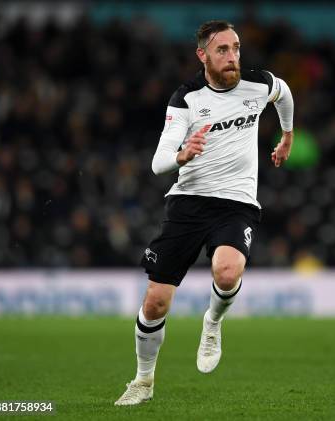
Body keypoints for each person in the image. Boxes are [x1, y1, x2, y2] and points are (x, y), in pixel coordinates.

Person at [115, 20, 294, 406]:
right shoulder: (186, 99)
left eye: (236, 48)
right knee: (155, 302)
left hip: (237, 203)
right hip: (189, 203)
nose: (233, 57)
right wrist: (182, 154)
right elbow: (158, 162)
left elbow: (284, 93)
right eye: (222, 50)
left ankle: (212, 323)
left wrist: (288, 134)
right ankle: (143, 382)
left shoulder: (258, 84)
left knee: (228, 272)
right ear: (203, 55)